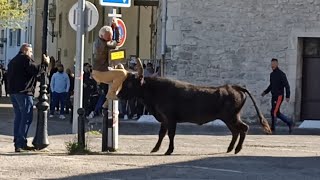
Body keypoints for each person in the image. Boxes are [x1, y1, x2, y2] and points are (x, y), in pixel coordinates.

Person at [7, 43, 50, 152]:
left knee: (19, 117)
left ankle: (18, 142)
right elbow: (36, 70)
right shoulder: (25, 59)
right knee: (26, 117)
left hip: (13, 92)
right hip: (24, 92)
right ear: (26, 51)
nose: (31, 55)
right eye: (30, 52)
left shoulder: (13, 61)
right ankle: (21, 143)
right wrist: (45, 63)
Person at [91, 25, 127, 103]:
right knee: (122, 74)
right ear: (102, 36)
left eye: (111, 36)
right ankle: (111, 93)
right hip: (101, 73)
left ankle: (107, 103)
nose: (110, 38)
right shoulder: (104, 45)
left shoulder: (99, 41)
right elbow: (115, 43)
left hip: (99, 71)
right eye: (108, 37)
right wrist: (116, 28)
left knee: (120, 74)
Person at [261, 58, 294, 134]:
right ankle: (289, 122)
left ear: (277, 64)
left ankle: (272, 129)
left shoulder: (282, 74)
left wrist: (288, 96)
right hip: (274, 96)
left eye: (273, 64)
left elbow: (287, 86)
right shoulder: (271, 75)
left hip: (279, 96)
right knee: (276, 112)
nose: (272, 65)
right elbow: (271, 85)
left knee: (274, 112)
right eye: (271, 64)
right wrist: (265, 92)